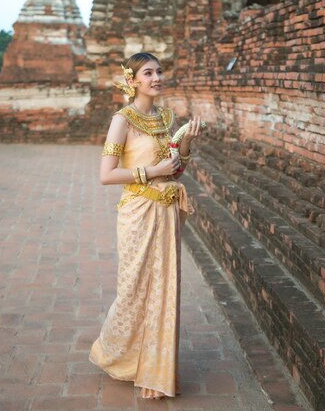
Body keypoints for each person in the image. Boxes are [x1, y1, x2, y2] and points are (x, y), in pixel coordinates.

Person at [89, 52, 201, 400]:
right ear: (133, 80)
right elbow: (106, 175)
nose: (156, 78)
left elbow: (176, 169)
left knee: (164, 290)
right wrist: (152, 172)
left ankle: (153, 368)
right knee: (135, 288)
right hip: (138, 211)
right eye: (148, 73)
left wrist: (184, 143)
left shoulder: (167, 118)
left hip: (166, 211)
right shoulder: (122, 119)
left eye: (159, 71)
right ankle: (116, 353)